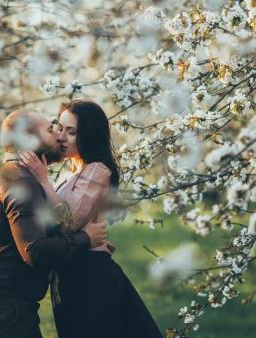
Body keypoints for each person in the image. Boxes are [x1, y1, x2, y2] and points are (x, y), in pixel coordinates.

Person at [20, 99, 163, 338]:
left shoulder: (98, 170)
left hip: (90, 275)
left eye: (72, 132)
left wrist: (43, 181)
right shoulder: (69, 174)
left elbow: (70, 222)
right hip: (70, 274)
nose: (61, 137)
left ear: (88, 135)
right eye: (60, 128)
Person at [0, 109, 108, 338]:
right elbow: (35, 251)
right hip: (1, 308)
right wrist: (86, 238)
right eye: (51, 130)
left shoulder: (7, 176)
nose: (58, 137)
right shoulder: (22, 183)